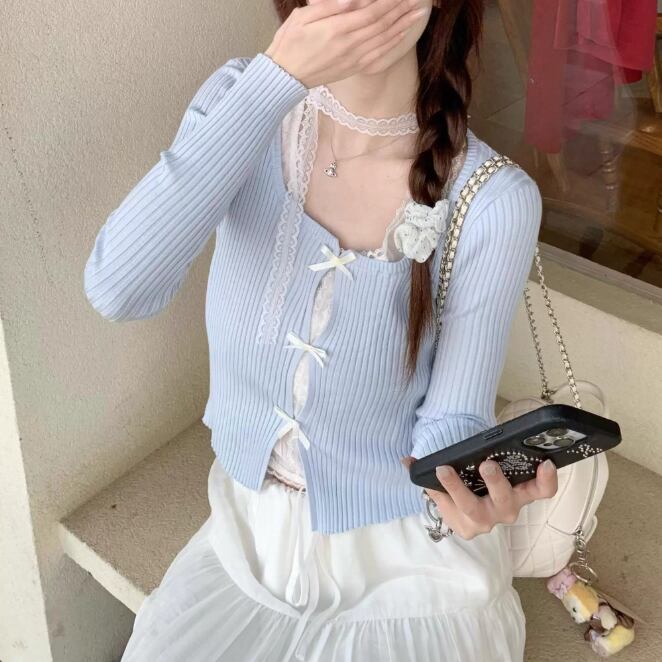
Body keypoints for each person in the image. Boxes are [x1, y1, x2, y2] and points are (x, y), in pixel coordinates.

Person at [83, 0, 558, 659]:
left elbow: (452, 417)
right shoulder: (243, 103)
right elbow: (119, 288)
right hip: (247, 539)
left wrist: (464, 487)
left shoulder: (493, 198)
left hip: (404, 568)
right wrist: (275, 79)